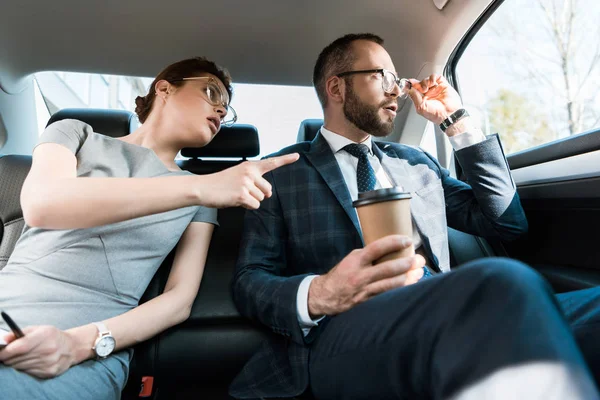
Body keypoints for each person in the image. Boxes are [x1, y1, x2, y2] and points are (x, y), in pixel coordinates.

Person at [230, 34, 600, 399]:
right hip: (347, 330)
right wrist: (322, 293)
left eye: (399, 81)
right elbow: (250, 279)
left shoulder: (416, 162)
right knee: (500, 282)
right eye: (383, 77)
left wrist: (455, 121)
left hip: (449, 308)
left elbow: (506, 223)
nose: (397, 92)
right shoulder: (281, 173)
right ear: (336, 87)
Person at [0, 56, 298, 399]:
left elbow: (178, 300)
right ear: (165, 88)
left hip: (85, 347)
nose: (221, 112)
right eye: (211, 93)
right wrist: (199, 187)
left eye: (227, 110)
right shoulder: (73, 133)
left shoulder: (203, 196)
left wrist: (80, 343)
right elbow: (43, 204)